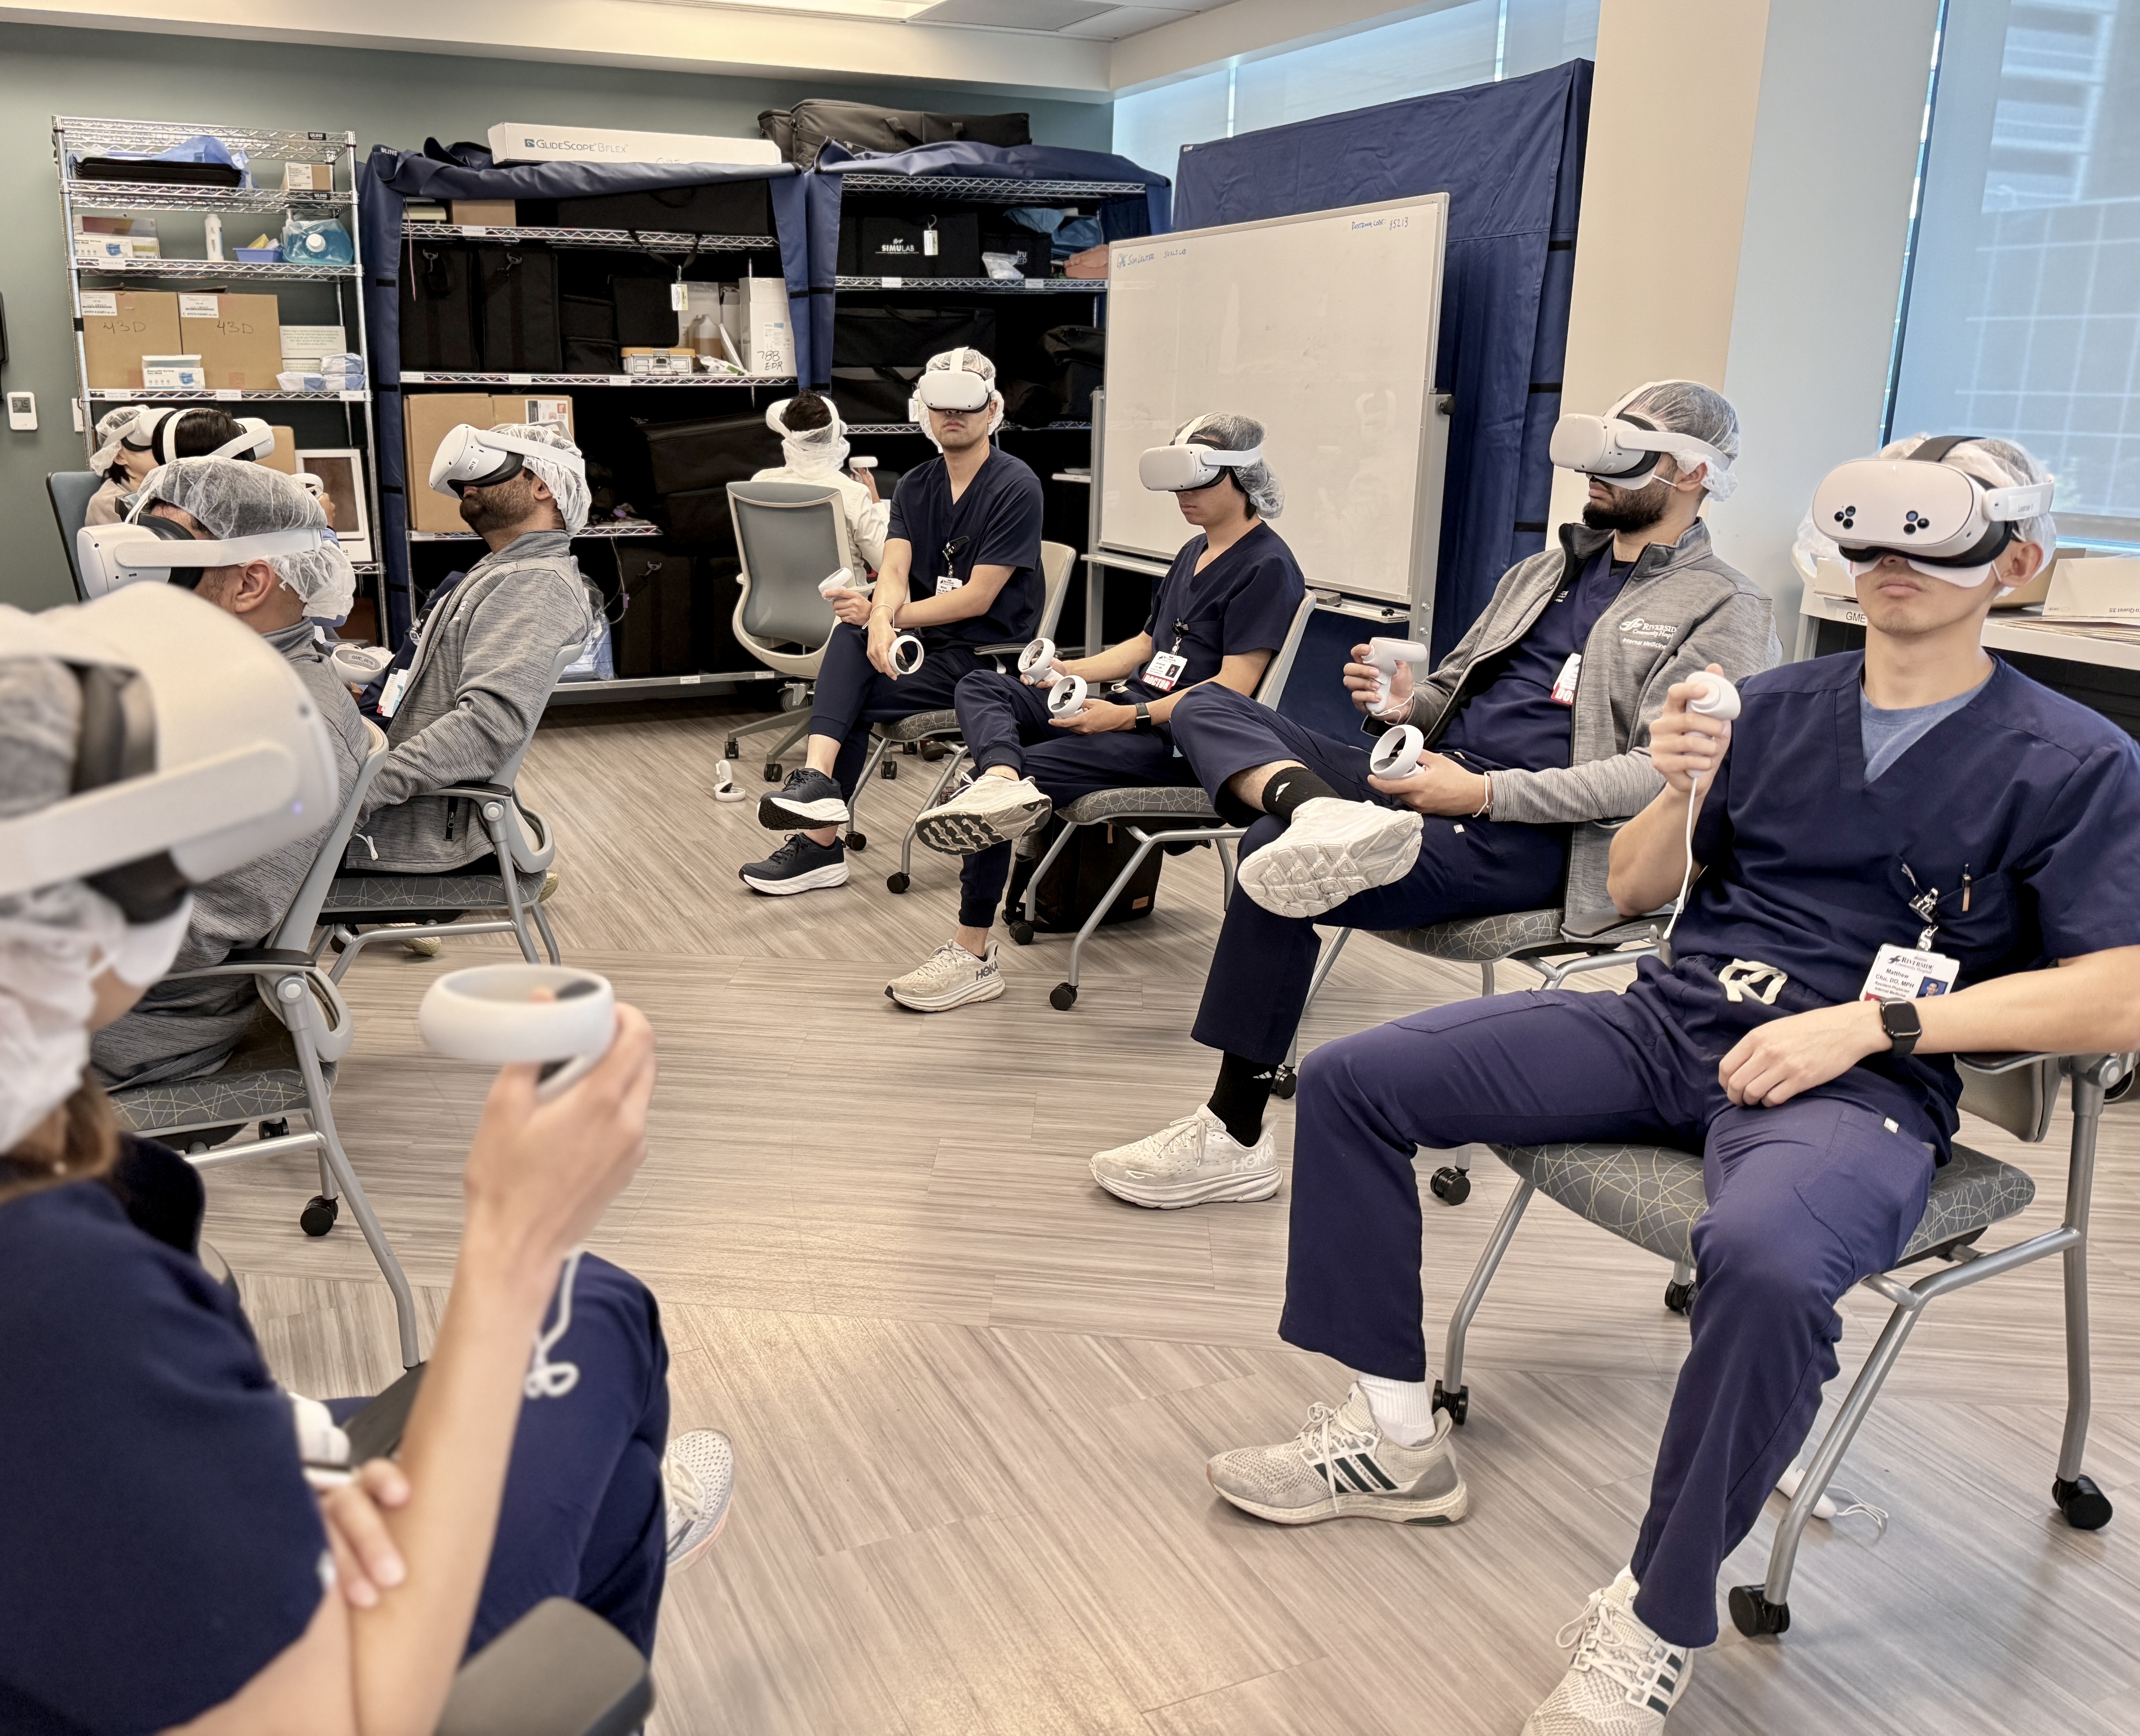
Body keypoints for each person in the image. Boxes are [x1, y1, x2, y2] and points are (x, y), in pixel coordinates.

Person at [0, 589, 736, 1735]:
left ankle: (599, 1533)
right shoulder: (24, 1302)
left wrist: (236, 1483)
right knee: (595, 1309)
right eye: (126, 849)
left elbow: (42, 1483)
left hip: (51, 1596)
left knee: (595, 1479)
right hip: (302, 1672)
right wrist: (516, 1241)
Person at [1201, 435, 2140, 1735]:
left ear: (2014, 563)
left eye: (1933, 542)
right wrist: (1680, 787)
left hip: (1851, 1085)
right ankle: (1394, 1437)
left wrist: (1867, 1028)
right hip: (1665, 1022)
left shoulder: (2072, 756)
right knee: (1358, 1080)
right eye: (1867, 540)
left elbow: (2116, 995)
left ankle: (1654, 1614)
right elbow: (1639, 893)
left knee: (1759, 1260)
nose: (1891, 567)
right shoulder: (1777, 708)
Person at [1090, 380, 1780, 1210]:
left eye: (1627, 458)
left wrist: (1484, 792)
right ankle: (1321, 806)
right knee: (1209, 703)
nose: (1597, 472)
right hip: (1426, 778)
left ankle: (1233, 1133)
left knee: (1273, 853)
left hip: (1533, 837)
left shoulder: (1723, 604)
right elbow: (1444, 692)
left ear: (1693, 474)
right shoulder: (1540, 569)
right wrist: (1399, 703)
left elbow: (1666, 773)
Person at [885, 413, 1305, 1011]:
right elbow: (1146, 646)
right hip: (1128, 713)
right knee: (985, 687)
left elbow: (1231, 690)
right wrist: (1068, 673)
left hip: (1181, 744)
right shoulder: (1194, 551)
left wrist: (1126, 718)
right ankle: (1001, 774)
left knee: (994, 789)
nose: (1184, 498)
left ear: (1243, 480)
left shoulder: (1268, 567)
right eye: (1178, 487)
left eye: (1199, 484)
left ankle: (973, 952)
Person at [87, 457, 369, 1087]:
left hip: (123, 1028)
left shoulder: (288, 739)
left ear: (248, 585)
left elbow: (177, 934)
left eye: (167, 554)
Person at [739, 347, 1045, 897]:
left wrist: (888, 614)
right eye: (941, 406)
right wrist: (881, 617)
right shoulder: (918, 484)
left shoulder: (1014, 484)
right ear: (923, 410)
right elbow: (896, 565)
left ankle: (820, 838)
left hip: (983, 662)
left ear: (993, 409)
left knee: (847, 692)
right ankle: (818, 798)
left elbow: (976, 598)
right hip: (926, 644)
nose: (953, 417)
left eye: (967, 406)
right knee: (856, 639)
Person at [350, 423, 595, 876]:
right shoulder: (506, 570)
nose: (468, 485)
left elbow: (488, 727)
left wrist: (359, 790)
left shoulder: (534, 584)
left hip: (393, 834)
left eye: (487, 473)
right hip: (385, 809)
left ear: (542, 486)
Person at [753, 389, 887, 571]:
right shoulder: (853, 495)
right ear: (836, 433)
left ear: (789, 435)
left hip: (772, 598)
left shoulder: (759, 485)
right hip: (839, 598)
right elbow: (886, 564)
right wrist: (876, 503)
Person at [83, 405, 273, 525]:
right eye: (151, 448)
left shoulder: (174, 487)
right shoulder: (109, 504)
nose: (163, 452)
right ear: (119, 457)